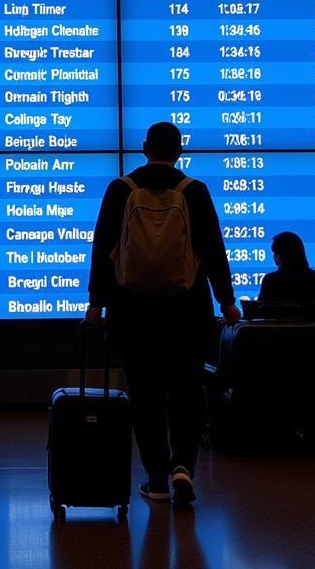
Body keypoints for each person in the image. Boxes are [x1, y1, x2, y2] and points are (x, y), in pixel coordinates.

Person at [86, 122, 239, 507]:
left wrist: (96, 301)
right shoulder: (195, 191)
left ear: (143, 148)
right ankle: (183, 467)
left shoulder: (121, 189)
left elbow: (103, 247)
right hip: (187, 310)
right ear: (180, 152)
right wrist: (226, 300)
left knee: (145, 396)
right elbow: (214, 250)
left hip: (133, 311)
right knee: (187, 390)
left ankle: (155, 478)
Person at [257, 231, 315, 304]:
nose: (273, 256)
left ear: (280, 255)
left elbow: (259, 311)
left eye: (275, 253)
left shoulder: (270, 281)